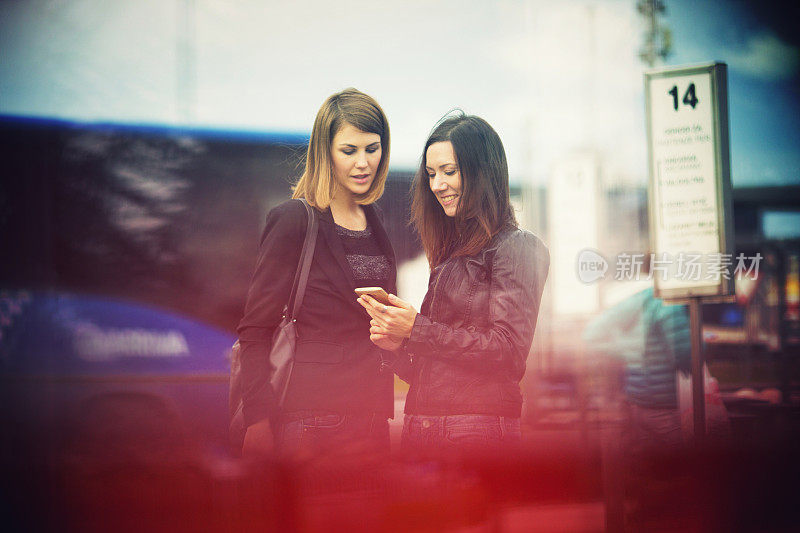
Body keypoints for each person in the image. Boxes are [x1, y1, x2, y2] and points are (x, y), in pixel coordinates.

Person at [358, 113, 549, 453]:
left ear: (483, 171)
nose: (437, 185)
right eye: (431, 174)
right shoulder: (451, 252)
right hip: (424, 427)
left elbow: (507, 354)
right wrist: (397, 345)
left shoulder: (516, 247)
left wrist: (417, 328)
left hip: (474, 432)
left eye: (449, 171)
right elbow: (433, 372)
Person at [238, 88, 397, 458]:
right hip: (310, 420)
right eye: (349, 150)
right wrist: (257, 422)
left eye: (372, 149)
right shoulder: (294, 219)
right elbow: (255, 330)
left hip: (373, 418)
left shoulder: (376, 221)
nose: (363, 163)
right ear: (326, 153)